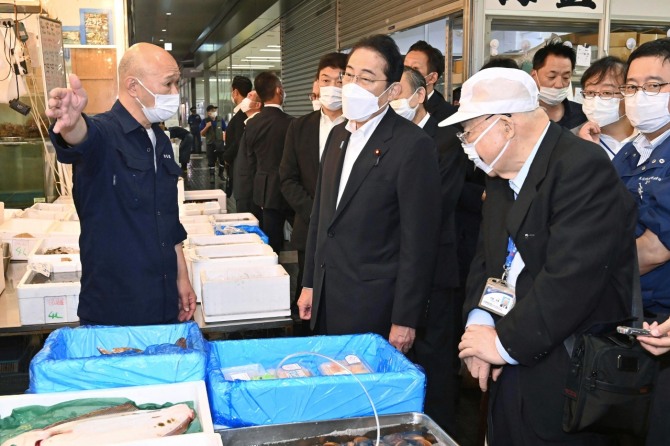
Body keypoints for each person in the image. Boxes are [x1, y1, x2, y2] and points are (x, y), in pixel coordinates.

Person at [446, 67, 636, 444]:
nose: (465, 143)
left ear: (504, 125)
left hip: (566, 372)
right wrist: (479, 324)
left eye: (467, 131)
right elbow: (488, 257)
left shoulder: (582, 167)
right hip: (510, 361)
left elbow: (572, 278)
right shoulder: (500, 172)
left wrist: (501, 345)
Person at [297, 34, 441, 353]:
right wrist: (309, 283)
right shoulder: (338, 136)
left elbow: (419, 242)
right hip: (326, 297)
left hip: (374, 305)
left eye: (366, 78)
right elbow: (322, 217)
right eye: (349, 74)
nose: (351, 85)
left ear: (392, 91)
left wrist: (406, 318)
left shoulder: (412, 146)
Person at [45, 42, 196, 326]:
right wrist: (71, 124)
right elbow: (81, 137)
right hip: (114, 308)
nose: (176, 93)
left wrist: (182, 277)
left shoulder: (160, 141)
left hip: (163, 300)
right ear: (133, 86)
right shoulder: (104, 133)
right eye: (169, 84)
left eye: (177, 83)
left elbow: (168, 220)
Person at [390, 66, 466, 433]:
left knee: (434, 358)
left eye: (400, 90)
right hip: (396, 268)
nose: (393, 99)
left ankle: (438, 432)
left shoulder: (447, 139)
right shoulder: (389, 136)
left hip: (434, 263)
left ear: (420, 95)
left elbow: (439, 203)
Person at [611, 37, 670, 445]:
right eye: (631, 87)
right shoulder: (631, 152)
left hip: (662, 322)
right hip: (626, 313)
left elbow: (654, 249)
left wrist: (583, 265)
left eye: (654, 86)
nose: (639, 96)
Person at [280, 52, 347, 312]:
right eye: (325, 80)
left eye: (339, 81)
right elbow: (287, 179)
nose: (331, 87)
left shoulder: (358, 126)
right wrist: (316, 213)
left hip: (348, 233)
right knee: (307, 300)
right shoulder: (299, 127)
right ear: (316, 84)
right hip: (309, 229)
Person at [242, 72, 293, 253]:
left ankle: (273, 273)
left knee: (272, 240)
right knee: (303, 234)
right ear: (279, 90)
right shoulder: (292, 123)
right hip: (291, 189)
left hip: (265, 190)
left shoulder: (251, 124)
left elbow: (250, 161)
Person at [577, 56, 636, 159]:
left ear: (629, 93)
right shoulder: (573, 140)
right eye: (590, 92)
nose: (596, 99)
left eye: (606, 92)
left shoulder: (649, 136)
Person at [531, 41, 587, 131]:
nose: (559, 85)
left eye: (565, 77)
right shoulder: (521, 115)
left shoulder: (582, 115)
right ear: (534, 75)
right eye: (551, 77)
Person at [404, 40, 458, 122]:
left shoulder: (449, 115)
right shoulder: (392, 103)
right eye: (405, 67)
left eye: (415, 69)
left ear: (432, 78)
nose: (406, 74)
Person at [232, 90, 263, 218]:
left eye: (250, 96)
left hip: (250, 192)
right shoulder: (249, 123)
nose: (246, 98)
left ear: (257, 105)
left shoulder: (257, 126)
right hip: (243, 190)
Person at [221, 75, 253, 197]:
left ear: (235, 92)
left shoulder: (243, 113)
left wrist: (226, 156)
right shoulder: (244, 112)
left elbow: (240, 140)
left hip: (242, 171)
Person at [200, 104, 226, 181]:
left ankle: (221, 174)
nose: (214, 112)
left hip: (220, 143)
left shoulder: (220, 120)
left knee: (222, 160)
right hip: (210, 144)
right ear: (208, 113)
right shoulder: (205, 121)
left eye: (215, 110)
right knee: (211, 161)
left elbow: (225, 130)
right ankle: (212, 176)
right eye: (212, 111)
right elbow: (202, 133)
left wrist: (225, 140)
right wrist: (207, 127)